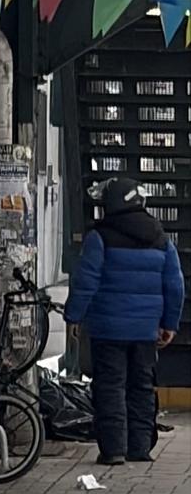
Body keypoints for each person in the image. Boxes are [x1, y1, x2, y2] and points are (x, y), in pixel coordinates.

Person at [64, 179, 182, 467]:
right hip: (145, 331)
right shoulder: (160, 238)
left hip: (108, 329)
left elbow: (86, 281)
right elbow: (175, 284)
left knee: (110, 387)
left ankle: (114, 450)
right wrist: (170, 324)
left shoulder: (100, 237)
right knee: (141, 388)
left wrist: (74, 316)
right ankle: (139, 448)